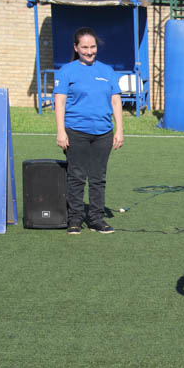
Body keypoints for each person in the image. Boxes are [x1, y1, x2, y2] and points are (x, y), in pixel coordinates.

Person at [54, 27, 124, 235]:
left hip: (103, 133)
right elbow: (60, 102)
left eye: (92, 46)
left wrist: (119, 130)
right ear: (76, 48)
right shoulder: (67, 71)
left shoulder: (107, 71)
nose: (89, 51)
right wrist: (60, 131)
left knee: (98, 178)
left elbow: (115, 100)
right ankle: (74, 219)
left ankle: (96, 219)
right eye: (84, 47)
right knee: (76, 176)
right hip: (76, 132)